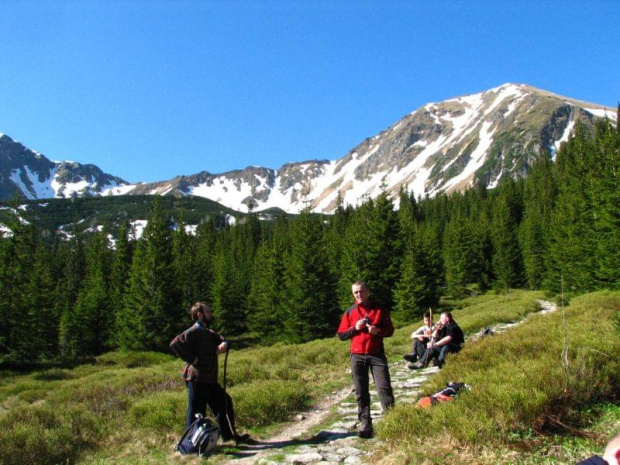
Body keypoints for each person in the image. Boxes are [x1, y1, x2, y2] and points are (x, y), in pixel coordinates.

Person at [170, 302, 250, 445]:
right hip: (197, 379)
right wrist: (192, 359)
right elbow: (175, 344)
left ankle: (229, 438)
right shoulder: (193, 331)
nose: (210, 314)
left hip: (209, 380)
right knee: (196, 413)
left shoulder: (209, 333)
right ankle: (189, 446)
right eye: (208, 312)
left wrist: (224, 344)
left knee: (224, 403)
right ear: (199, 315)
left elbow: (224, 340)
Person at [337, 280, 395, 438]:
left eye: (361, 291)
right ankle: (365, 423)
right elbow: (341, 335)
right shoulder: (350, 312)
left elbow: (390, 331)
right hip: (357, 355)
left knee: (384, 387)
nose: (358, 295)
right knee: (361, 391)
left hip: (376, 354)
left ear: (367, 291)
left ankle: (393, 420)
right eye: (355, 292)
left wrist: (377, 331)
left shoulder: (379, 309)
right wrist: (354, 329)